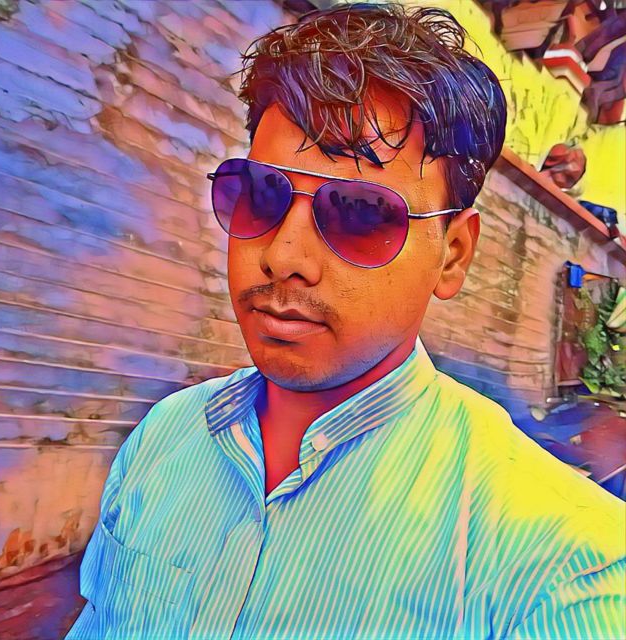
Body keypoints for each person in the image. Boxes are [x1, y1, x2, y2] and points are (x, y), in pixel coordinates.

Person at [66, 2, 625, 639]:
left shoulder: (563, 571)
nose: (283, 256)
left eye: (360, 213)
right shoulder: (165, 438)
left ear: (453, 255)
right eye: (261, 196)